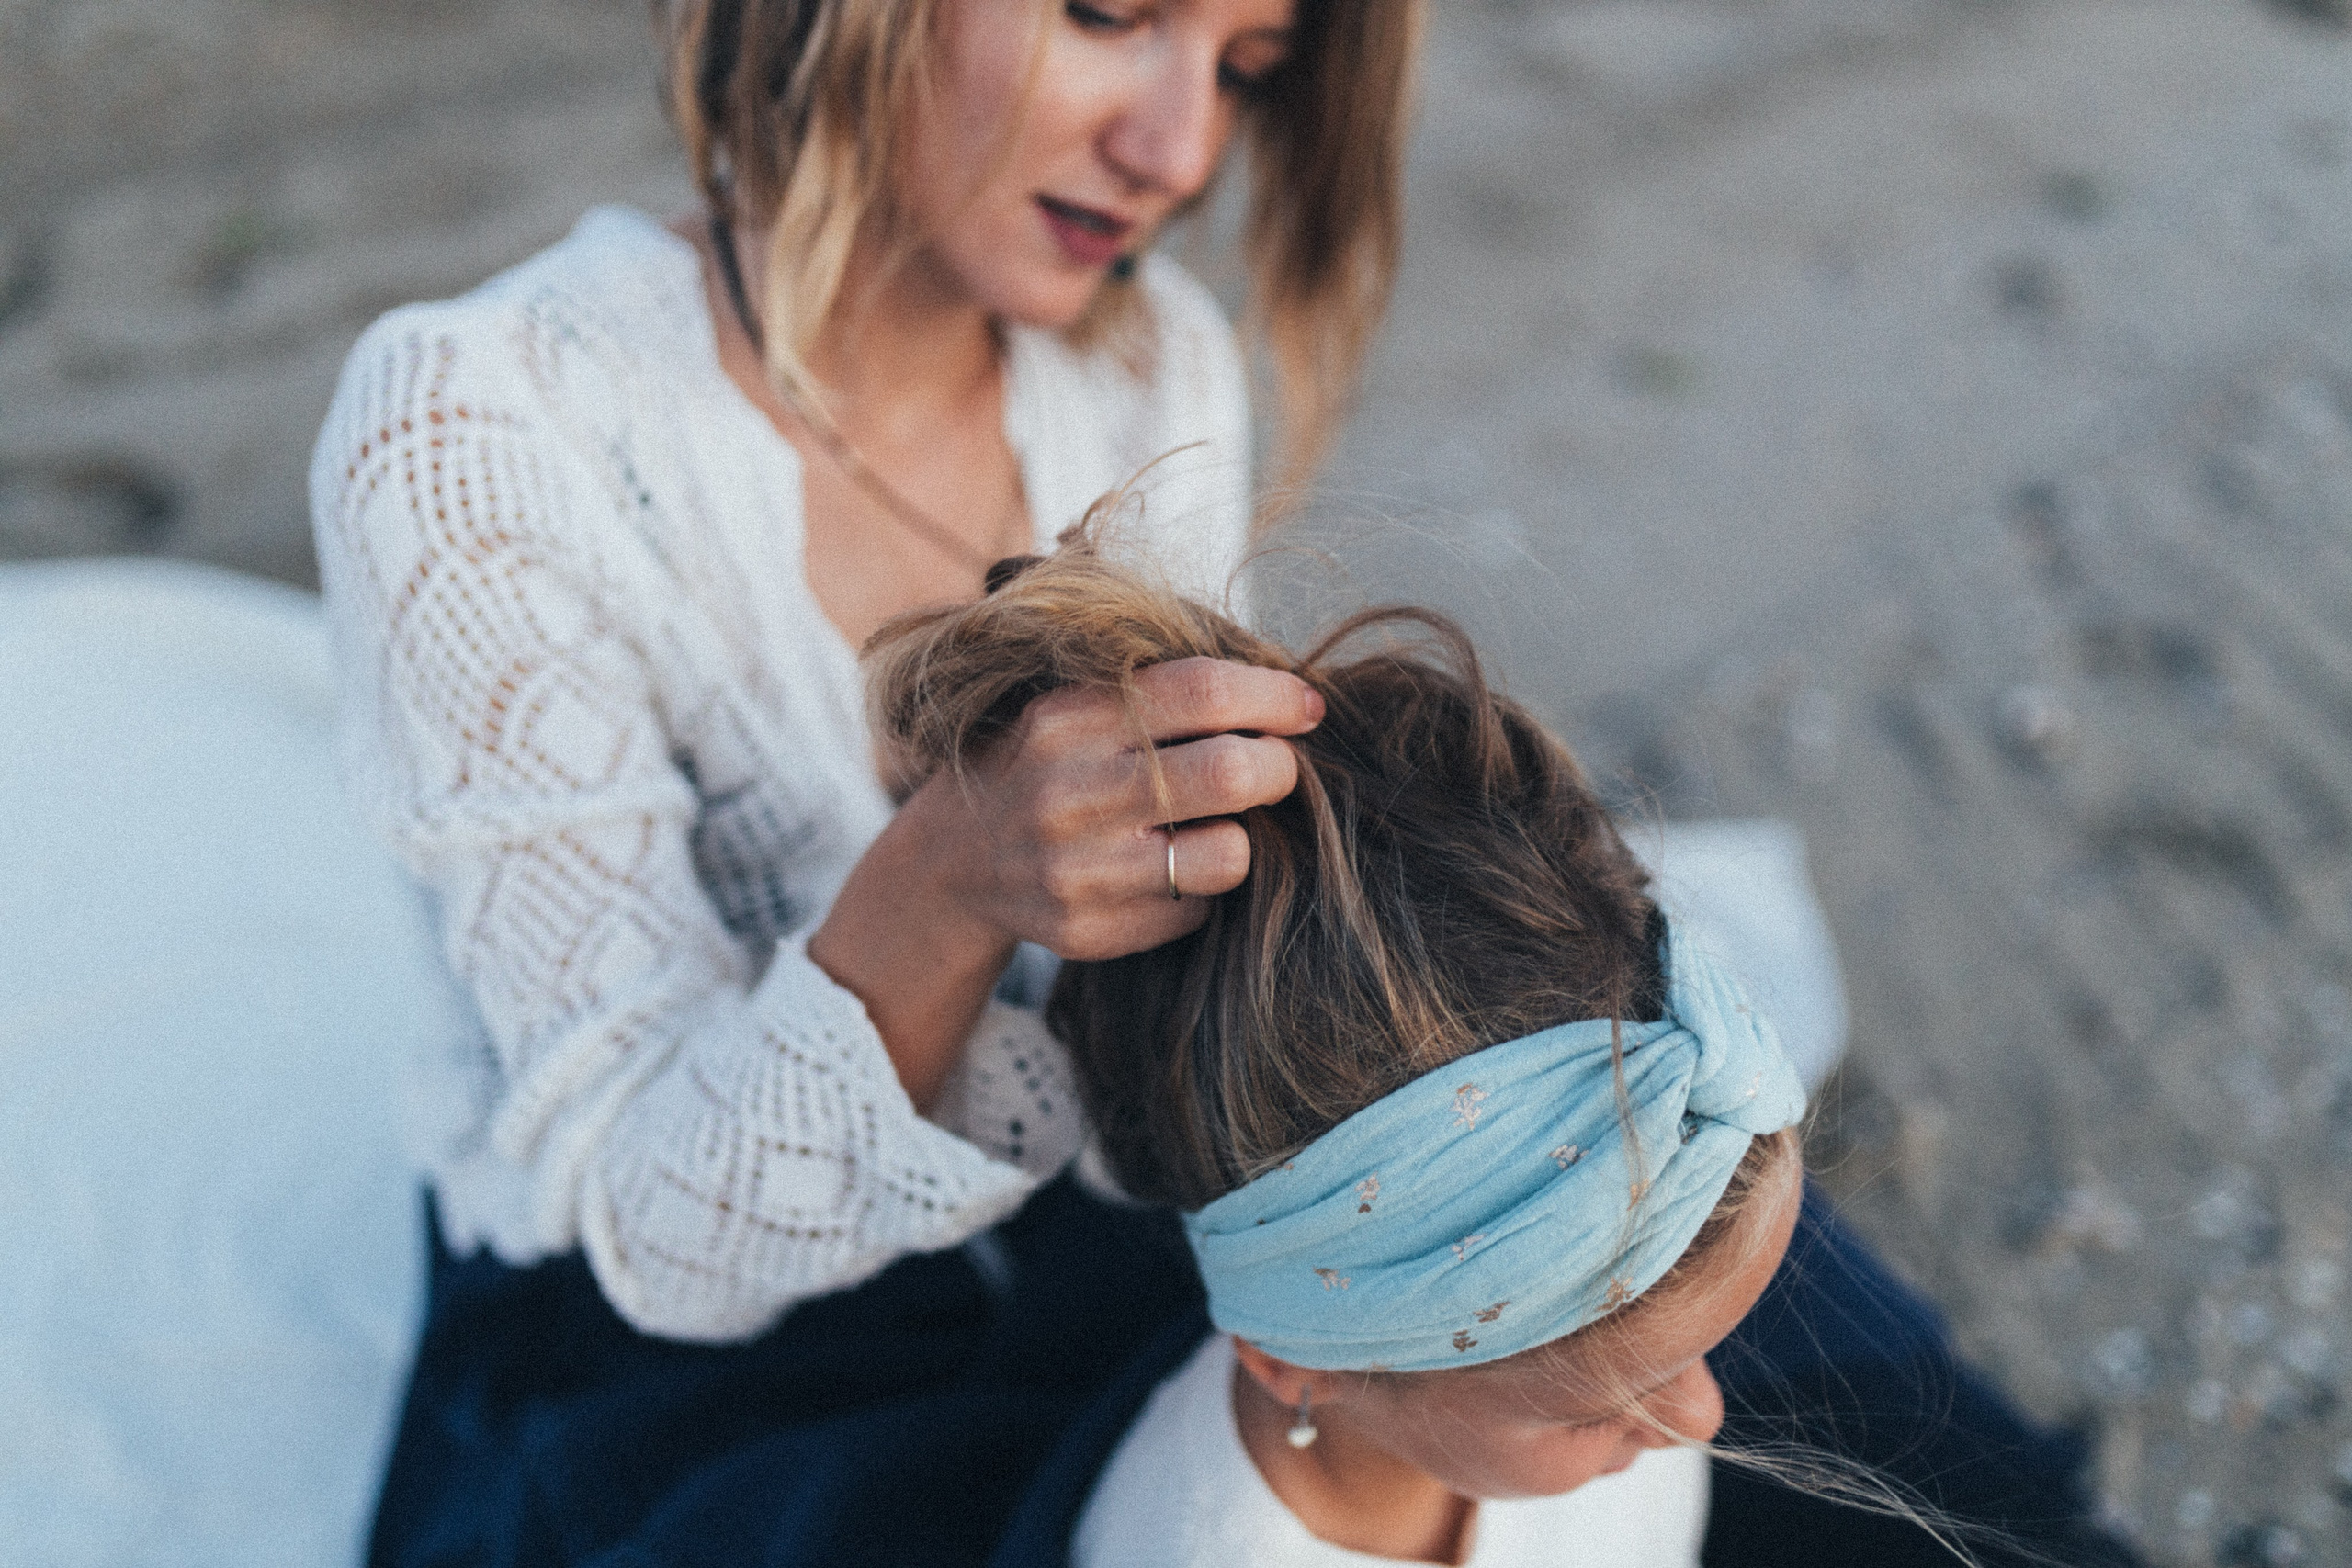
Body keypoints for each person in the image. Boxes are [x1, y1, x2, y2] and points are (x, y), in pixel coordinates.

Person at [311, 2, 1422, 1563]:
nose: (1178, 153)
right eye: (1110, 12)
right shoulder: (475, 428)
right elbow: (661, 1232)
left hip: (1083, 1212)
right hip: (655, 1345)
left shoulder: (1149, 364)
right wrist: (950, 878)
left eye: (1247, 69)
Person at [859, 535, 2144, 1567]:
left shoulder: (1521, 1423)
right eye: (1602, 1404)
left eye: (1699, 1348)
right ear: (1297, 1360)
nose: (1706, 1415)